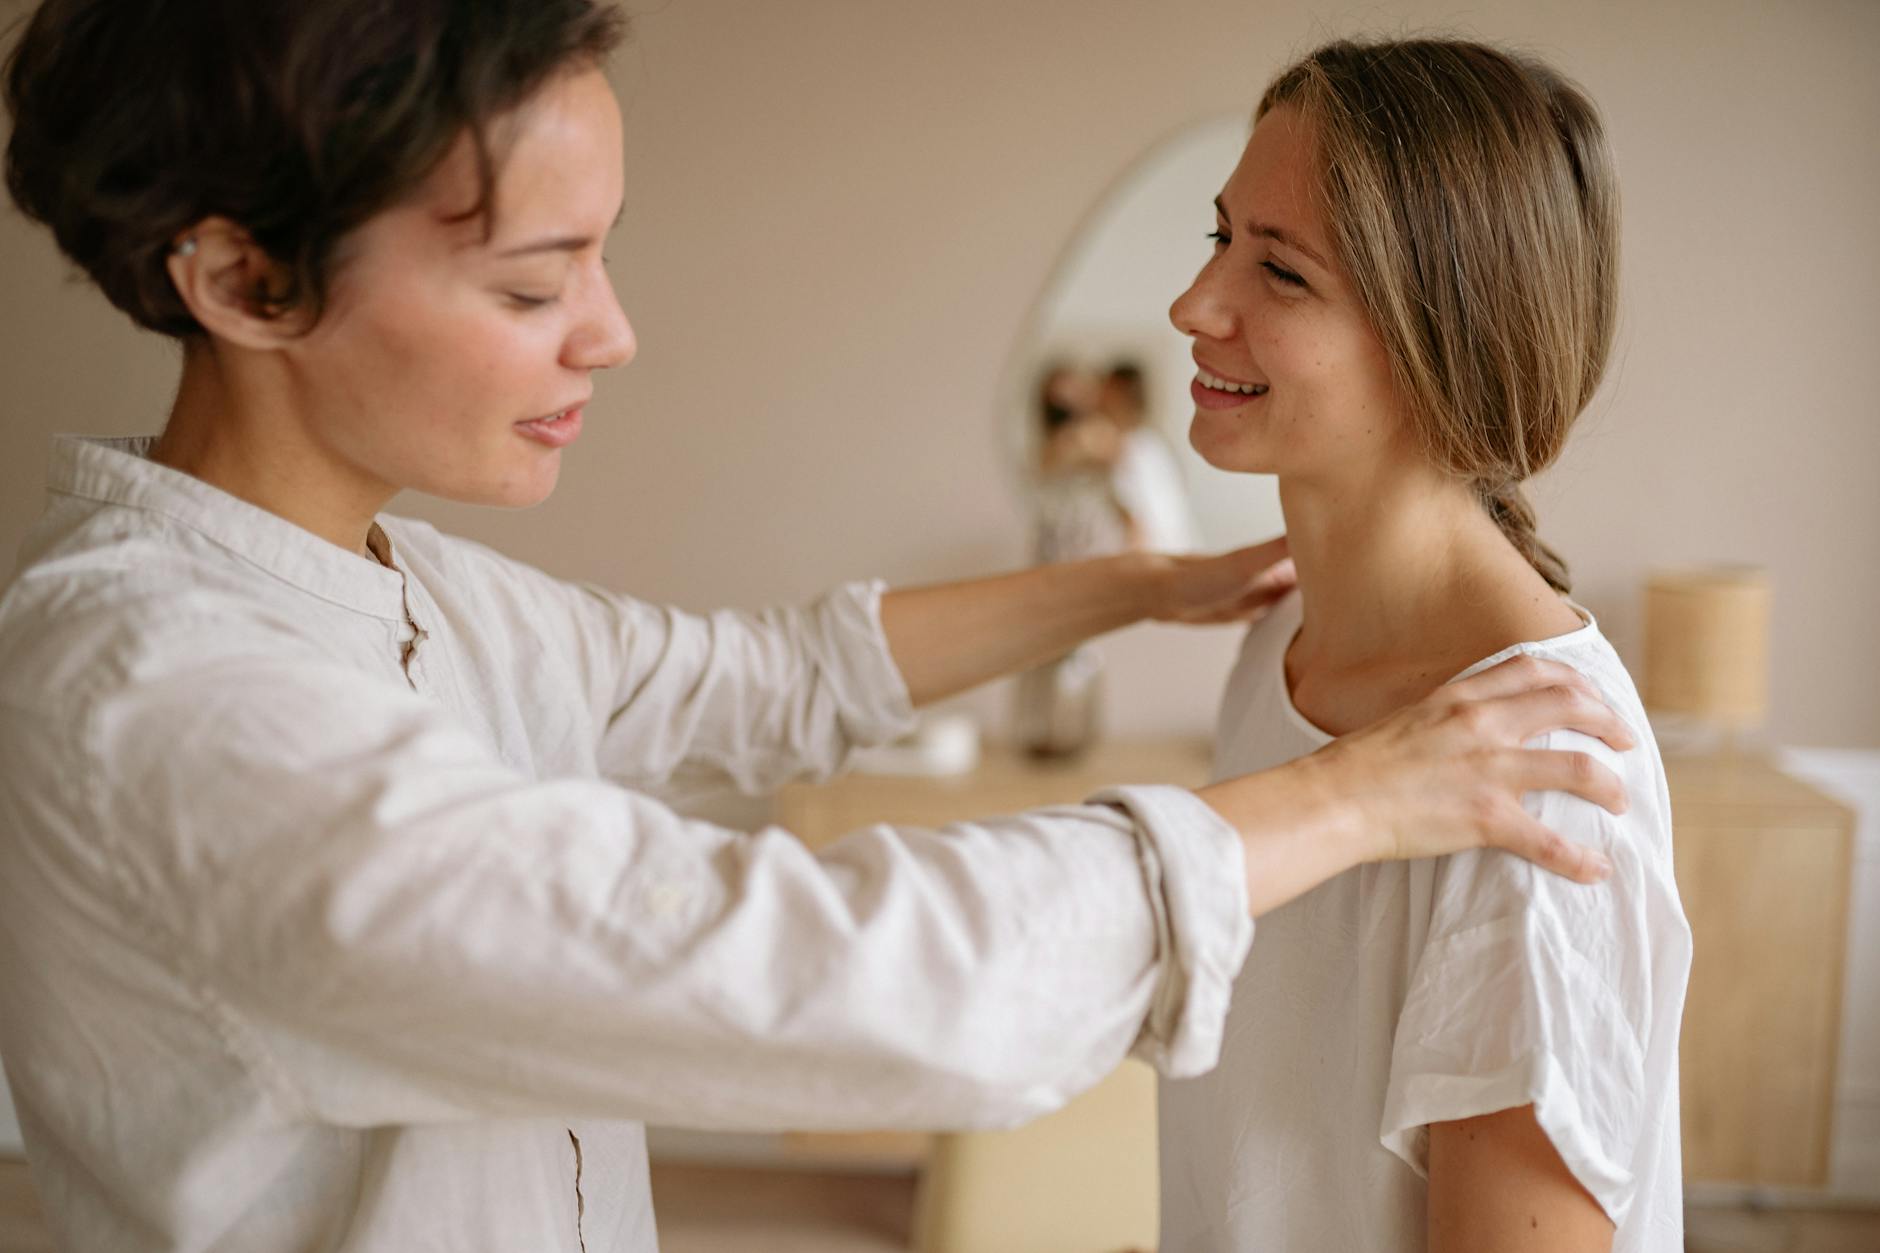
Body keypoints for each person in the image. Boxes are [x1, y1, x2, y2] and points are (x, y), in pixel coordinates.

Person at [0, 5, 1635, 1250]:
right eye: (531, 281)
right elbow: (792, 971)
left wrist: (1134, 583)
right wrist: (1347, 797)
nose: (614, 334)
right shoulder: (164, 701)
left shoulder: (405, 594)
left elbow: (763, 677)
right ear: (241, 278)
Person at [1155, 38, 1691, 1253]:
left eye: (1278, 272)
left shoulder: (1545, 778)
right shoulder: (1278, 654)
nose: (1194, 306)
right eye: (1217, 236)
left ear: (1441, 338)